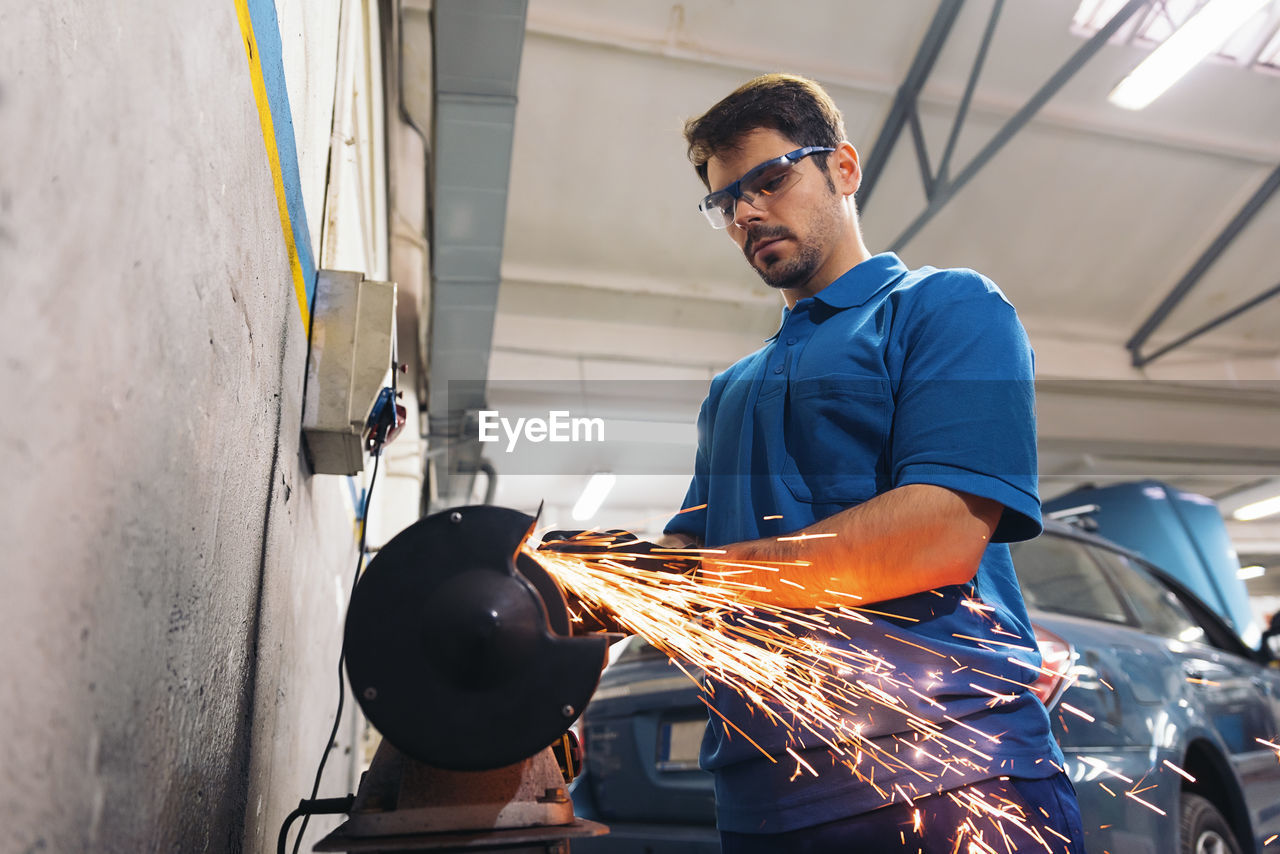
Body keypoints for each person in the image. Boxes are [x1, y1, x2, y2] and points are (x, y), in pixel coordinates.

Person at [658, 74, 1086, 852]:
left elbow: (937, 535)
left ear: (844, 168)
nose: (747, 212)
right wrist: (579, 583)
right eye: (726, 202)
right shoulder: (730, 392)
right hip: (761, 801)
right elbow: (685, 558)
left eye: (771, 178)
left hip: (951, 774)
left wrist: (702, 583)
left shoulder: (945, 308)